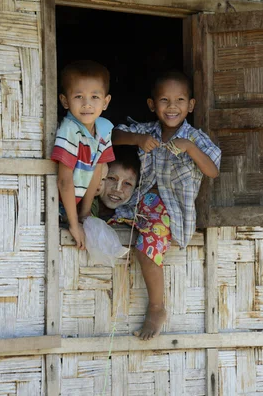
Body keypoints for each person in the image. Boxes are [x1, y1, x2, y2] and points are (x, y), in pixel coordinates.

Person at [112, 71, 221, 340]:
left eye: (180, 100)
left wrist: (190, 149)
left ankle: (157, 307)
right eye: (164, 100)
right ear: (152, 105)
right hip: (141, 203)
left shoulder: (195, 138)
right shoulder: (148, 131)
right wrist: (137, 140)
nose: (172, 107)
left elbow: (213, 170)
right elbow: (112, 136)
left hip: (170, 210)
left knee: (147, 250)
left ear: (191, 105)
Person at [51, 60, 115, 250]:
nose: (87, 104)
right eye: (79, 96)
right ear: (64, 101)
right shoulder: (70, 130)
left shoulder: (104, 129)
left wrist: (85, 213)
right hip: (60, 203)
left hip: (79, 201)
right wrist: (74, 223)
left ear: (105, 102)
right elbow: (64, 181)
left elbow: (97, 170)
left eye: (95, 97)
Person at [91, 145, 141, 220]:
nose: (117, 189)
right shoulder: (85, 205)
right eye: (112, 178)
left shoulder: (136, 213)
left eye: (127, 183)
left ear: (136, 187)